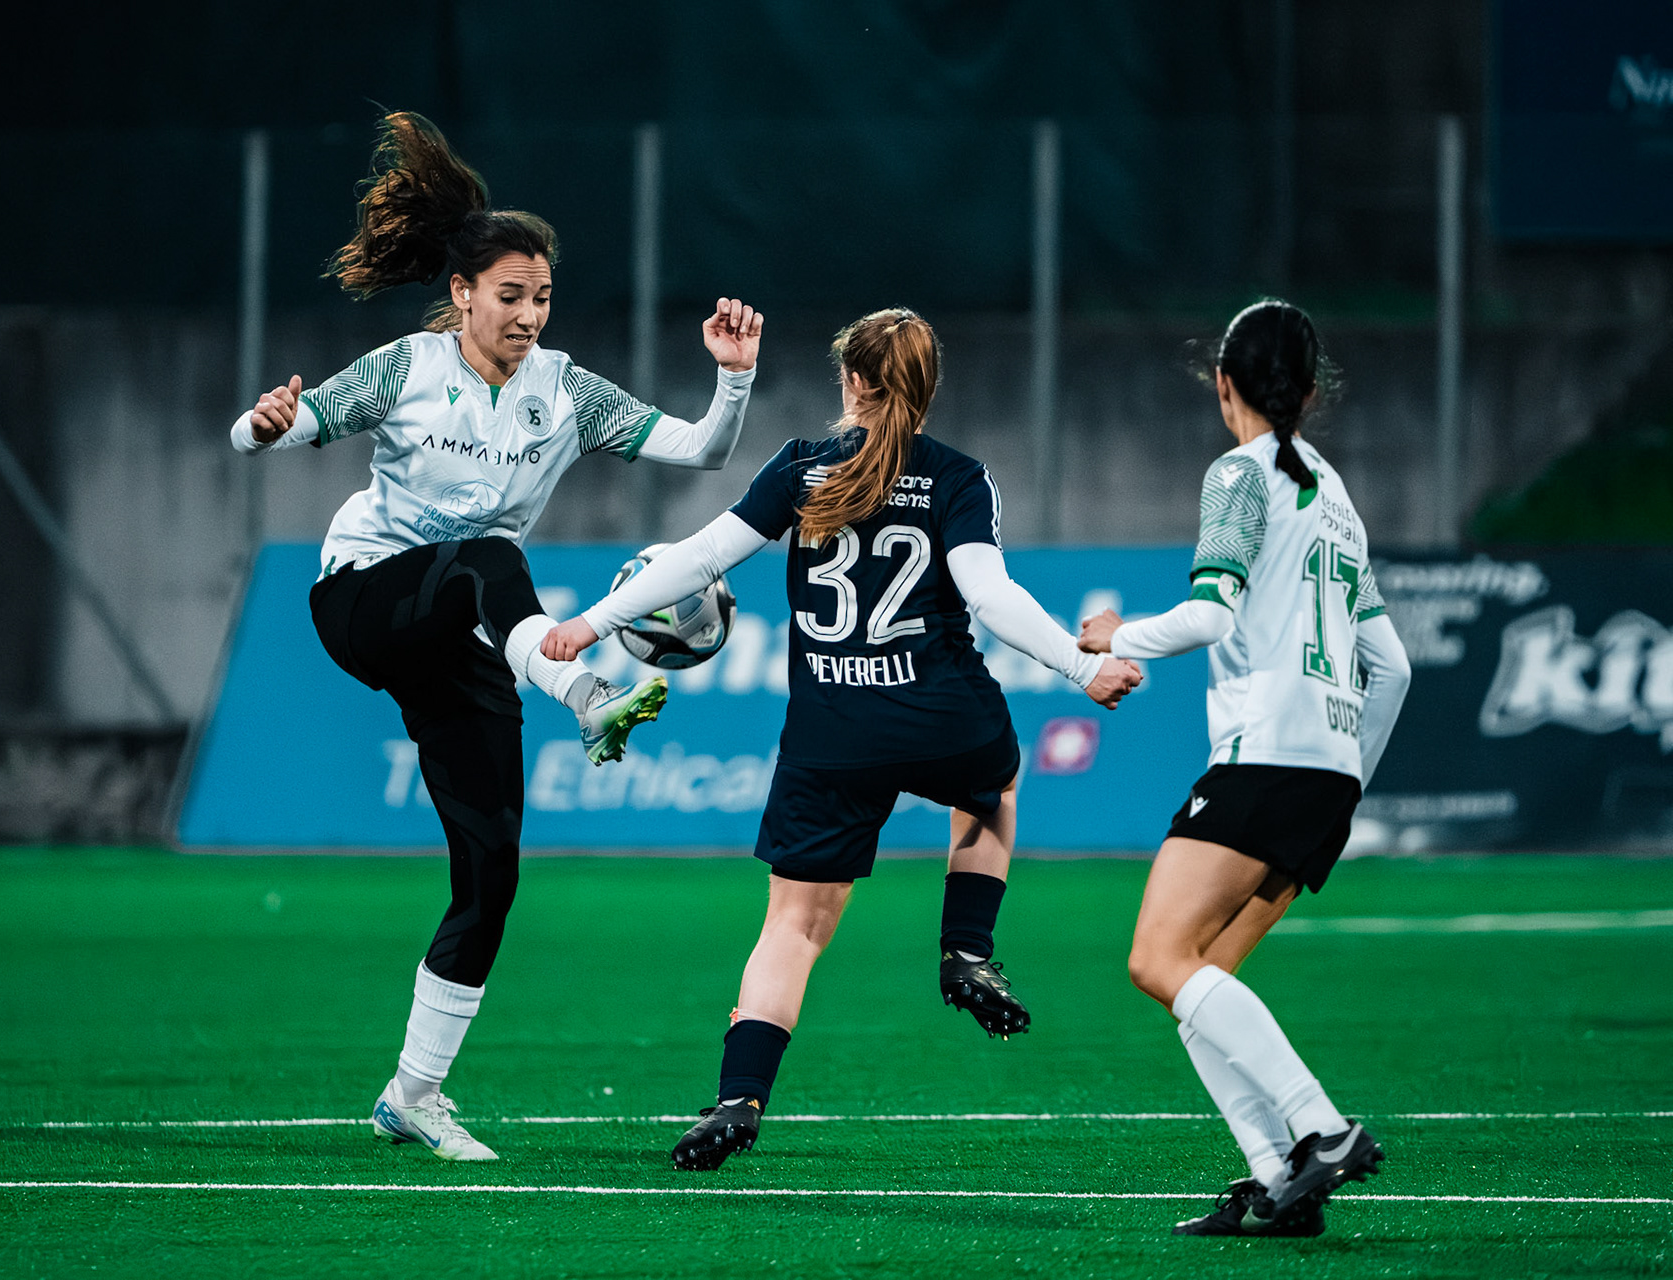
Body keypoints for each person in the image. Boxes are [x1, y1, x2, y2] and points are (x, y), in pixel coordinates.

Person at [231, 112, 765, 1162]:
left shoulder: (567, 391)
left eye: (543, 297)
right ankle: (583, 695)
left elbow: (702, 452)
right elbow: (279, 431)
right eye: (509, 295)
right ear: (464, 294)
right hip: (364, 601)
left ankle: (414, 1091)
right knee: (488, 555)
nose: (528, 314)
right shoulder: (405, 368)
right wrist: (264, 421)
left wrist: (733, 376)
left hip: (470, 630)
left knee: (492, 869)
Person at [542, 308, 1144, 1170]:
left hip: (832, 728)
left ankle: (738, 1099)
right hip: (941, 712)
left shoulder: (803, 467)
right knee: (995, 785)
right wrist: (1081, 672)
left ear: (851, 381)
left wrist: (596, 622)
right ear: (927, 389)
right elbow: (991, 597)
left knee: (793, 924)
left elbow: (701, 557)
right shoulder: (957, 476)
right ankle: (966, 951)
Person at [1077, 300, 1411, 1236]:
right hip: (1327, 770)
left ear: (1223, 383)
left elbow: (1212, 616)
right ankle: (1277, 1179)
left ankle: (1321, 1129)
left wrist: (1115, 637)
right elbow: (1394, 668)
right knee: (1204, 974)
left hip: (1265, 754)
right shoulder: (1337, 501)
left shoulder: (1238, 473)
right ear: (1308, 392)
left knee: (1155, 959)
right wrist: (1347, 788)